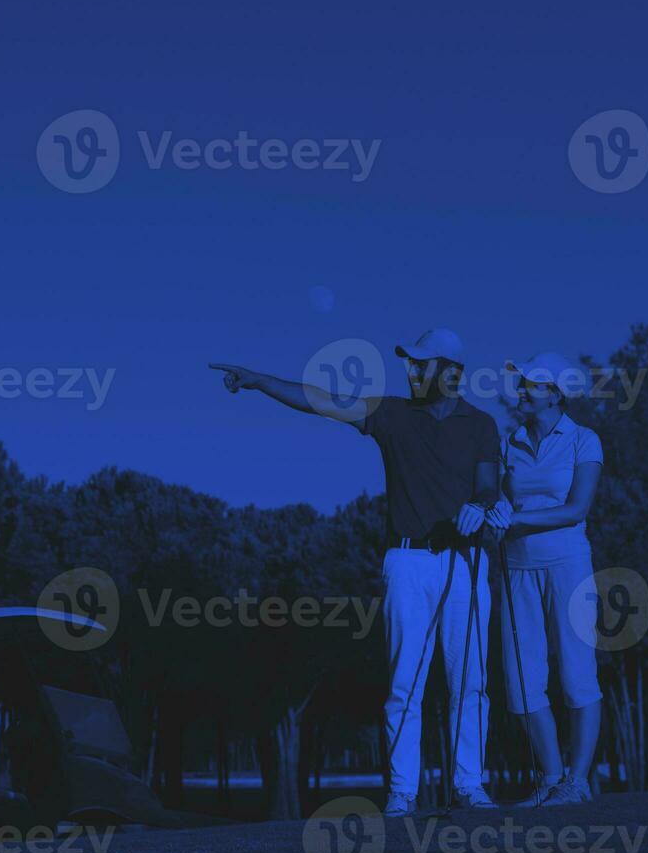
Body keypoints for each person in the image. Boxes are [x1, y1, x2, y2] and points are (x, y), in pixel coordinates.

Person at [210, 328, 501, 817]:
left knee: (469, 682)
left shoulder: (481, 425)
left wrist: (479, 506)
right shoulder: (389, 413)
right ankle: (403, 792)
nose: (410, 370)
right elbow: (323, 400)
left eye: (421, 363)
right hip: (407, 561)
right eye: (409, 362)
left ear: (451, 371)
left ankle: (469, 785)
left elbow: (489, 488)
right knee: (405, 682)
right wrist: (260, 380)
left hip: (467, 562)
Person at [486, 353, 605, 807]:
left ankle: (577, 781)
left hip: (568, 567)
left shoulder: (583, 440)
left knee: (577, 674)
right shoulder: (509, 442)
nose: (521, 391)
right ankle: (551, 779)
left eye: (531, 385)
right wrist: (496, 514)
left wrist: (515, 516)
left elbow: (577, 509)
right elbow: (500, 501)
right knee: (521, 680)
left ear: (555, 393)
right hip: (516, 567)